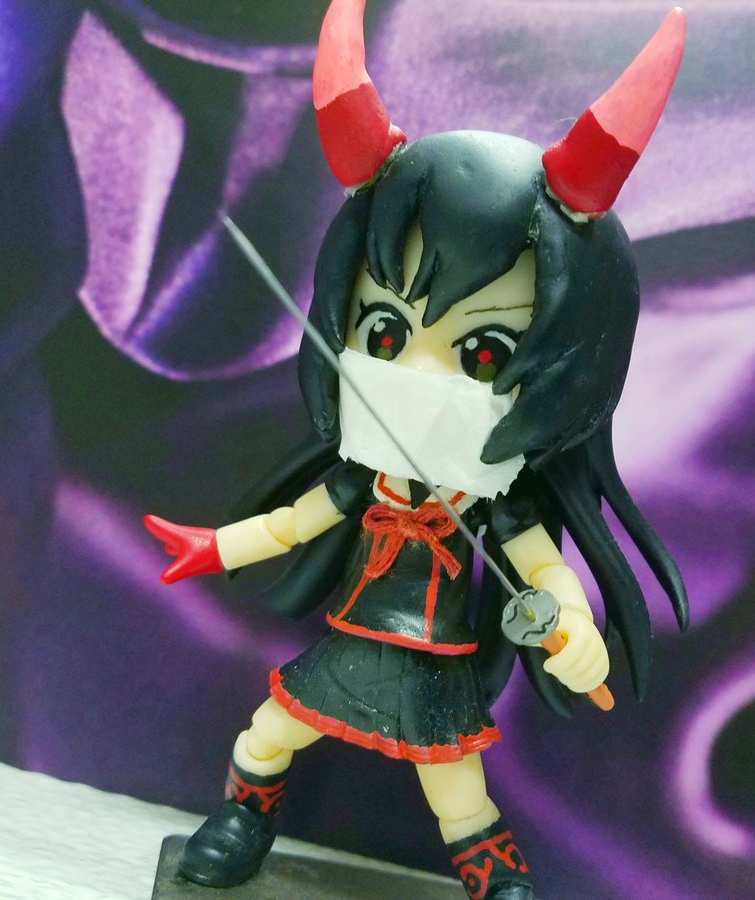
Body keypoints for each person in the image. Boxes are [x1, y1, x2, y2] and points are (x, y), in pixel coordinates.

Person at [144, 4, 688, 897]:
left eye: (484, 352)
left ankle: (493, 878)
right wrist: (214, 546)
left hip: (434, 661)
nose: (419, 378)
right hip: (348, 643)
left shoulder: (491, 504)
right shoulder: (369, 480)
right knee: (269, 732)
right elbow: (293, 522)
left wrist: (575, 630)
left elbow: (545, 574)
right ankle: (242, 819)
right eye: (388, 332)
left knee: (457, 790)